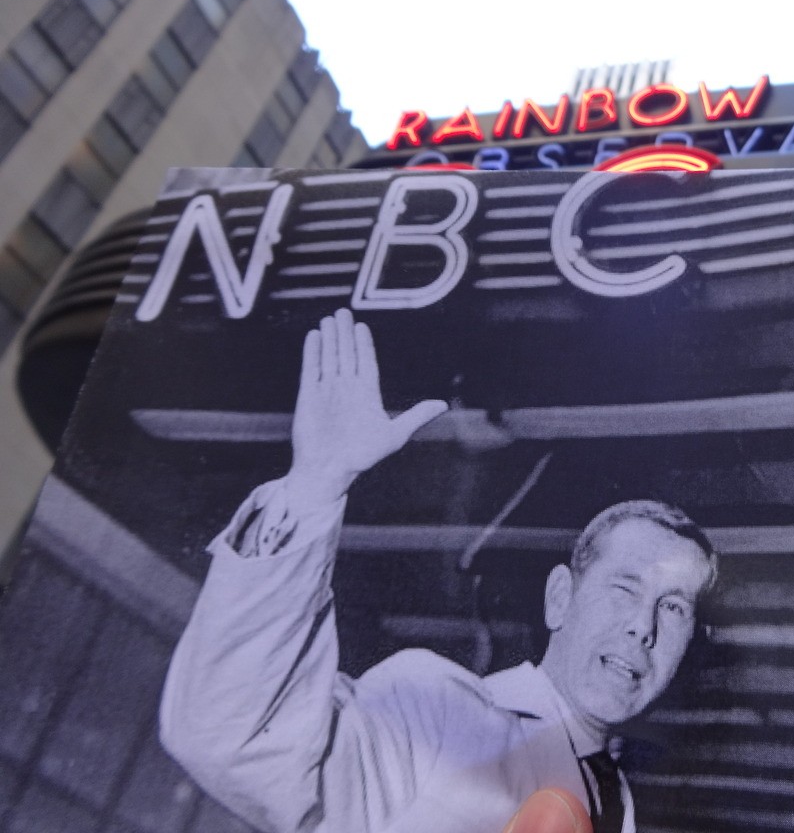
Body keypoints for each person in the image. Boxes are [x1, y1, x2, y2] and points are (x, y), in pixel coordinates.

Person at [159, 309, 717, 833]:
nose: (642, 626)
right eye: (623, 588)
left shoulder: (617, 804)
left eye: (673, 607)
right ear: (559, 599)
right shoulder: (439, 712)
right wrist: (313, 487)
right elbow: (228, 735)